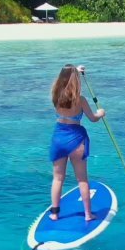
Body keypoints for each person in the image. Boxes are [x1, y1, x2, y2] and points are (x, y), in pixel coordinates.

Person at [48, 64, 105, 222]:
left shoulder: (55, 95)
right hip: (76, 140)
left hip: (59, 138)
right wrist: (100, 113)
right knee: (82, 179)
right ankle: (88, 214)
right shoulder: (80, 100)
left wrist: (75, 72)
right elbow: (93, 119)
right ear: (75, 81)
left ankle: (54, 213)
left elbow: (64, 79)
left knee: (58, 178)